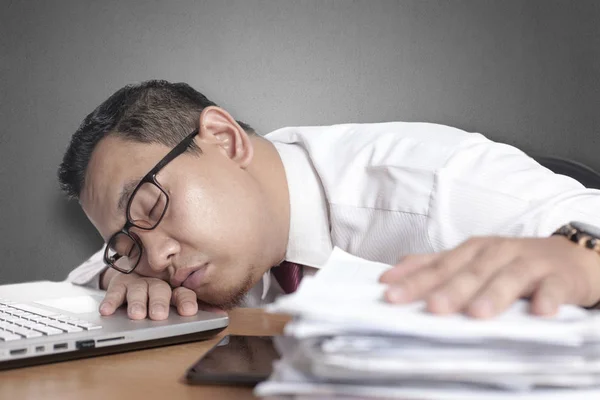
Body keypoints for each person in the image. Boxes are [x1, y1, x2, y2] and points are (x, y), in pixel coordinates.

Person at [59, 80, 600, 322]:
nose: (157, 260)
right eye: (126, 245)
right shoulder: (226, 232)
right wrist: (118, 277)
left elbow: (584, 232)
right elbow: (85, 279)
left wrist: (583, 254)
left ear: (224, 139)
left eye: (152, 208)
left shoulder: (433, 182)